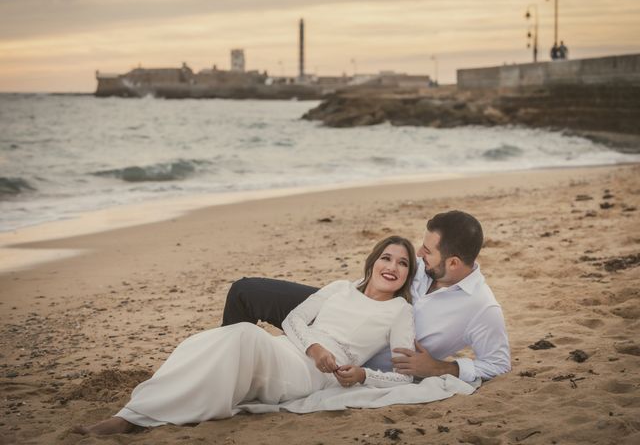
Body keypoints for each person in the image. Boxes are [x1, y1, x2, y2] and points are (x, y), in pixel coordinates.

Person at [75, 236, 417, 435]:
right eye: (386, 257)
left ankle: (130, 421)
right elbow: (296, 319)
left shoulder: (400, 312)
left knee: (241, 335)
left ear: (407, 275)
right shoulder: (339, 288)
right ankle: (136, 410)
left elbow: (403, 378)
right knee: (206, 342)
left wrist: (361, 375)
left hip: (315, 374)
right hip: (290, 348)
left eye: (403, 264)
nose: (392, 266)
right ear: (372, 262)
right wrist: (312, 345)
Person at [223, 210, 511, 384]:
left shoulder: (482, 309)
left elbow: (498, 363)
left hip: (360, 356)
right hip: (342, 315)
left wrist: (440, 368)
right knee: (245, 291)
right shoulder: (424, 267)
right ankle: (228, 374)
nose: (419, 254)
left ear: (453, 263)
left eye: (427, 251)